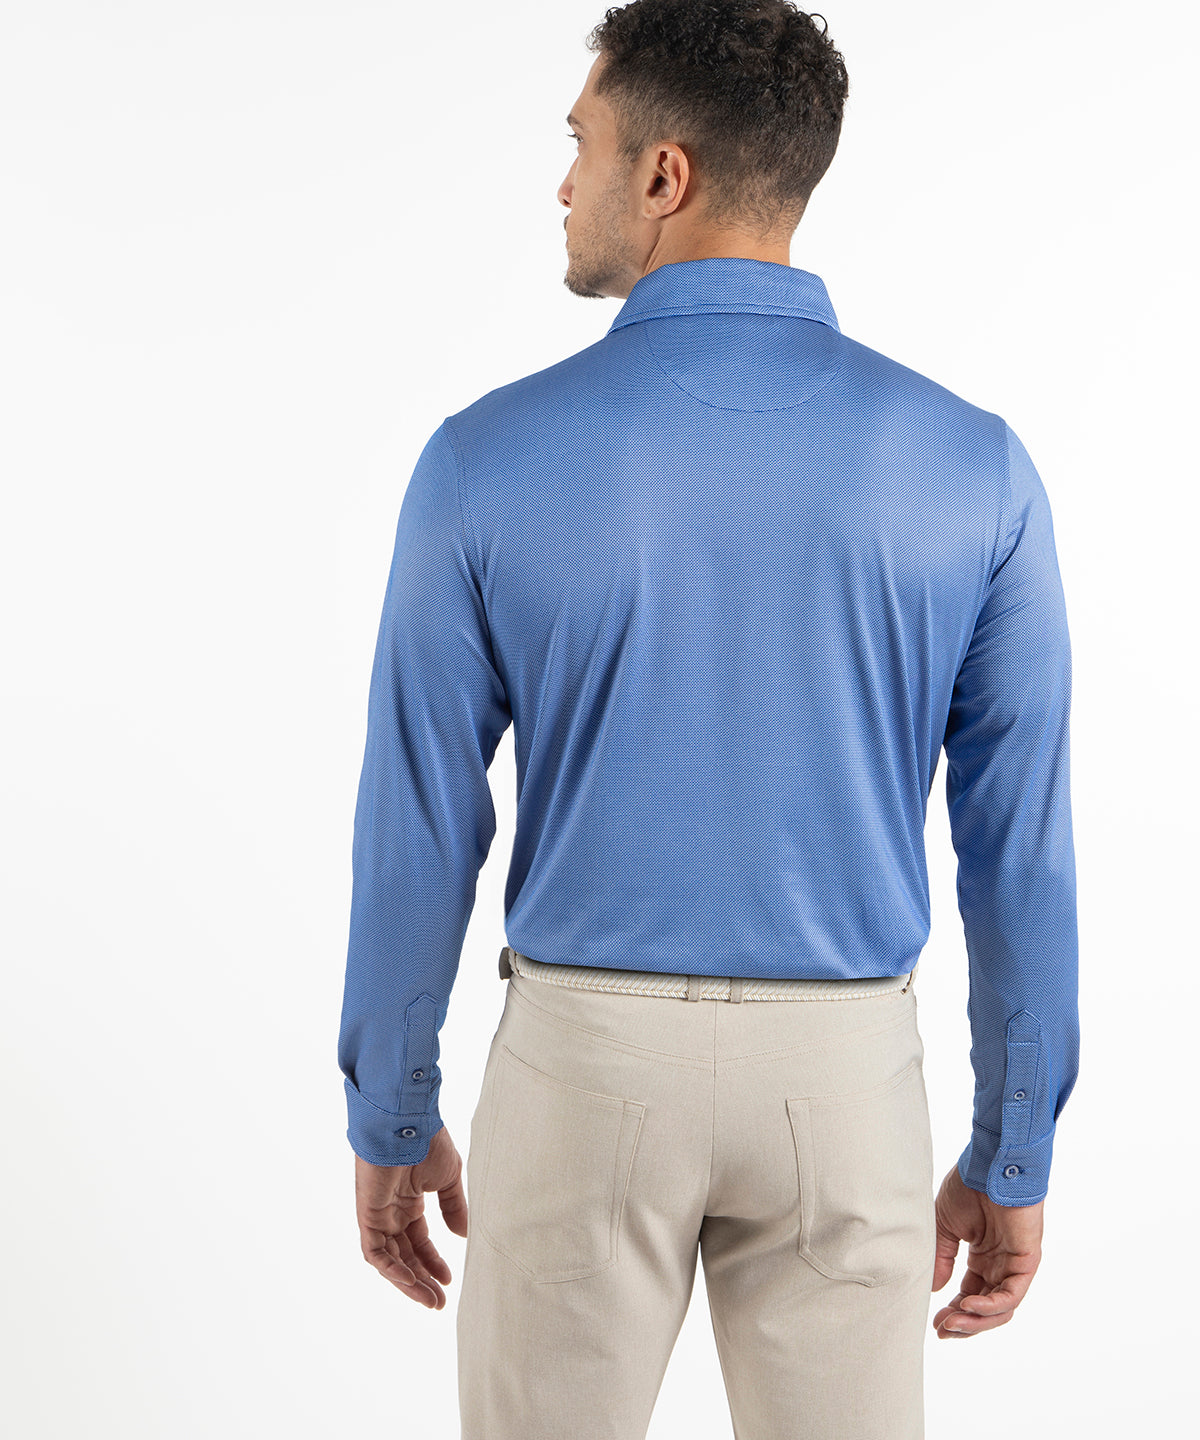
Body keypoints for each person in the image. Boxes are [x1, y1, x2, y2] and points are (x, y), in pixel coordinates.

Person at [336, 2, 1080, 1435]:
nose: (564, 183)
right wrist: (1016, 1143)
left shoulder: (482, 459)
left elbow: (417, 822)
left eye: (583, 145)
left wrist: (391, 1104)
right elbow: (1021, 849)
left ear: (664, 175)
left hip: (580, 1073)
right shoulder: (974, 467)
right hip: (847, 1087)